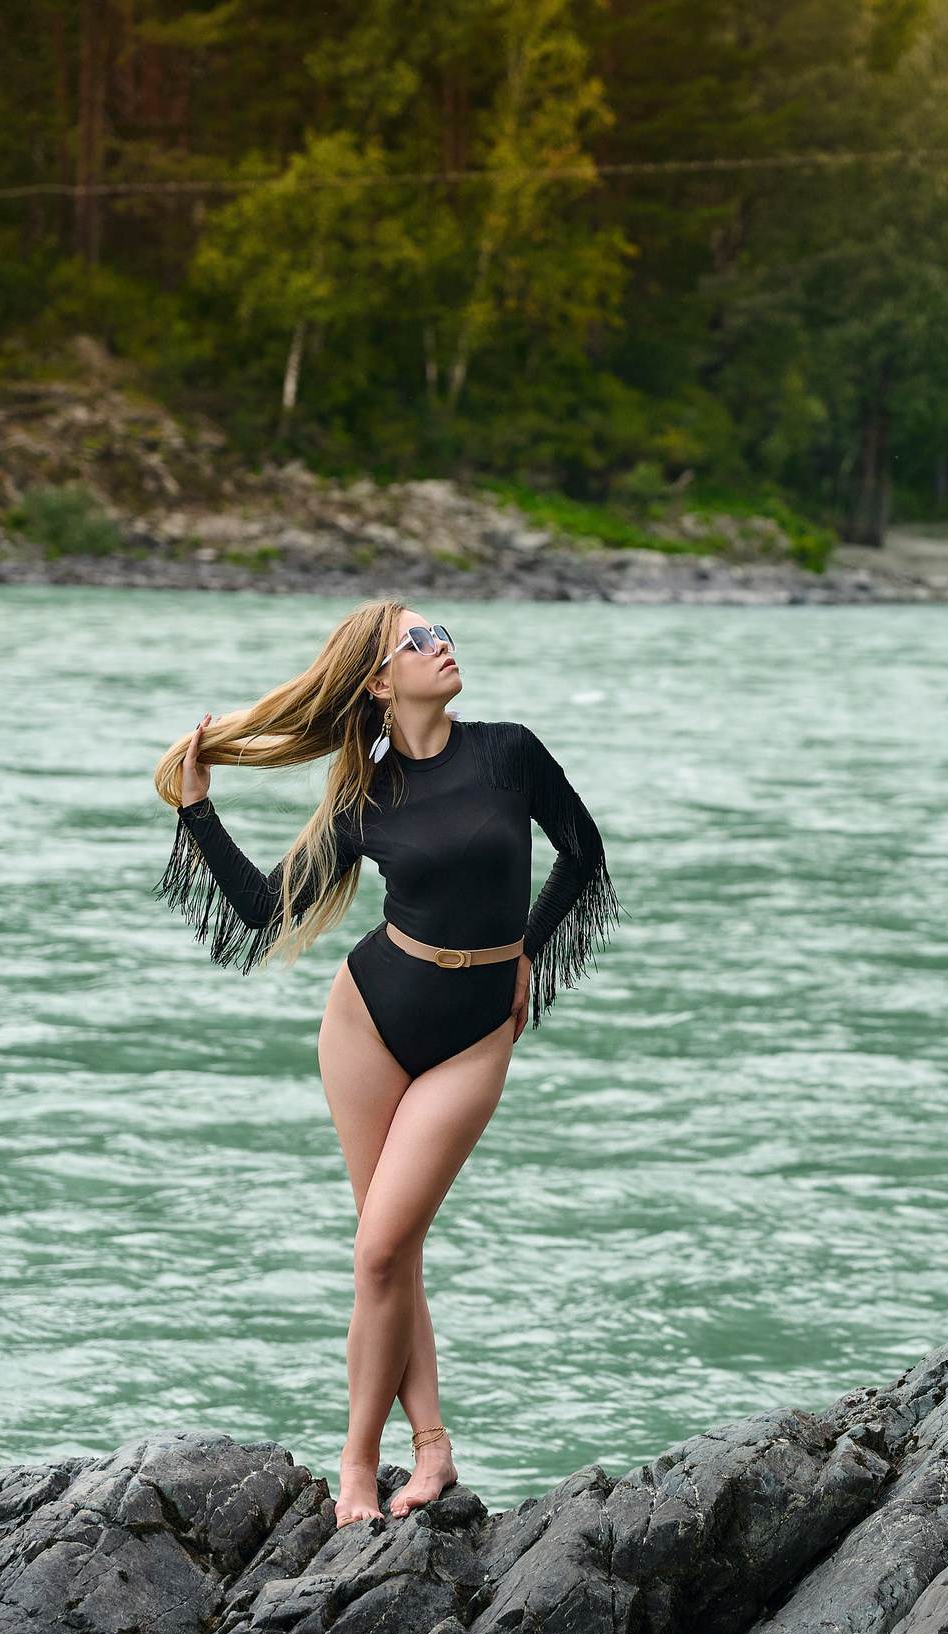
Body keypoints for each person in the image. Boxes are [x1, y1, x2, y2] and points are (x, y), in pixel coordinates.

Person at [151, 600, 616, 1523]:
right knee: (389, 1254)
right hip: (368, 1022)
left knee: (380, 1250)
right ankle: (418, 1455)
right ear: (377, 679)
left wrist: (526, 949)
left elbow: (584, 852)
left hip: (476, 1033)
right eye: (418, 640)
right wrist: (197, 808)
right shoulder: (365, 799)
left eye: (441, 630)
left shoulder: (509, 751)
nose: (441, 644)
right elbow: (261, 906)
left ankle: (360, 1461)